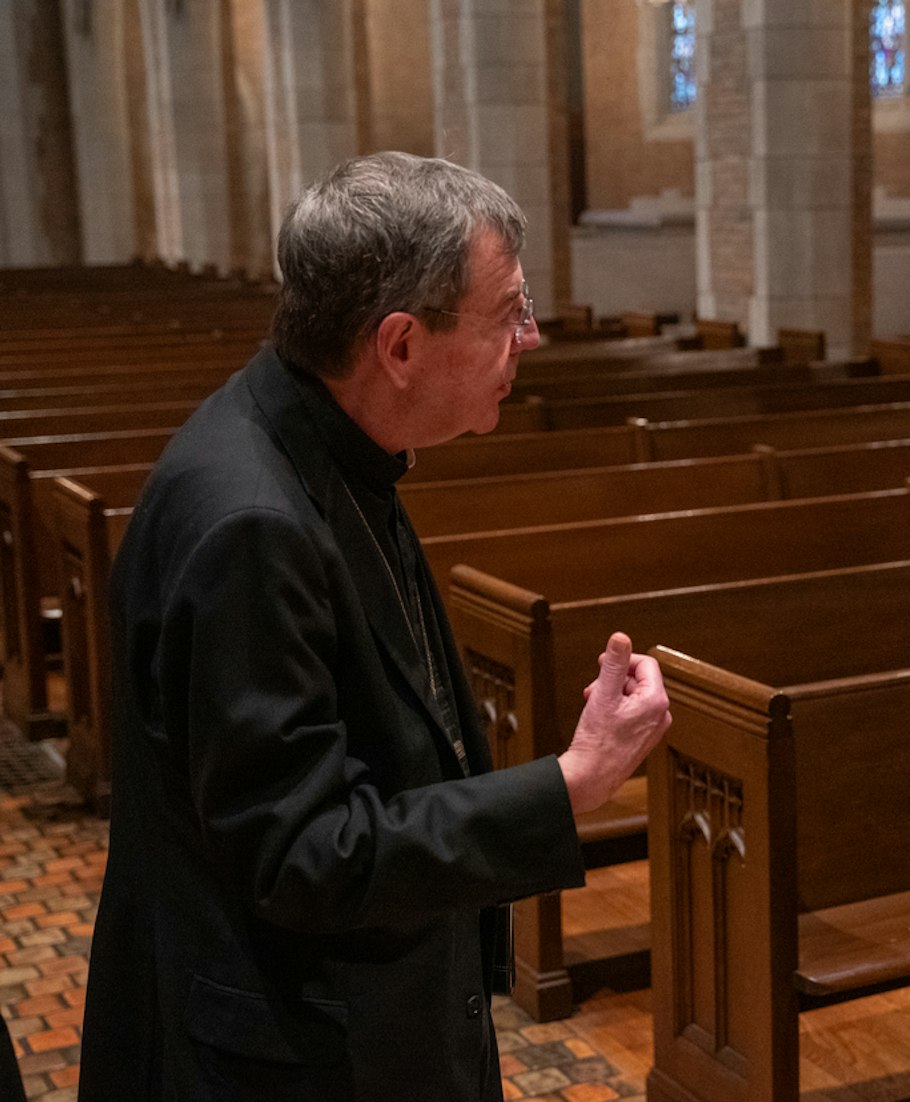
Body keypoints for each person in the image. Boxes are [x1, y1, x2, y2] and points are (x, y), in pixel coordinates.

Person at [77, 151, 672, 1101]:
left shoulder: (327, 439)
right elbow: (306, 855)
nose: (533, 337)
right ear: (399, 345)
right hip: (287, 1061)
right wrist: (572, 783)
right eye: (509, 312)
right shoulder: (252, 525)